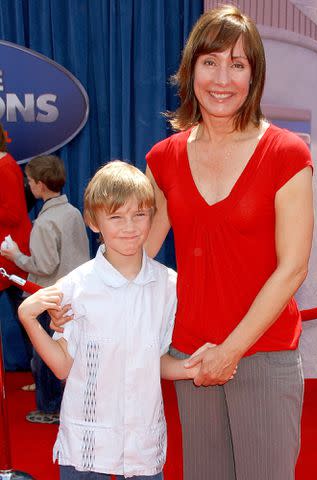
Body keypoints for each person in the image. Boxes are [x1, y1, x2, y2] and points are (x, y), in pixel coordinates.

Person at [144, 5, 314, 480]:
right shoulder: (164, 158)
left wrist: (231, 351)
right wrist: (74, 301)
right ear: (190, 69)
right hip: (190, 358)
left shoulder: (286, 153)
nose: (223, 78)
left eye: (238, 64)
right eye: (211, 61)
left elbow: (293, 267)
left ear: (254, 76)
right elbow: (136, 258)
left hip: (264, 351)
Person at [18, 160, 206, 480]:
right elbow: (63, 365)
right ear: (94, 222)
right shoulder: (75, 287)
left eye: (139, 214)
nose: (129, 227)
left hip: (141, 442)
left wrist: (196, 367)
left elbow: (156, 359)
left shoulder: (168, 286)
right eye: (115, 217)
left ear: (152, 216)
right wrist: (28, 318)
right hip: (87, 443)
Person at [1, 154, 90, 423]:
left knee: (45, 357)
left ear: (40, 185)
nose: (27, 186)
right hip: (75, 295)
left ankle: (50, 408)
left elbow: (43, 265)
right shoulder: (73, 211)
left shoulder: (44, 223)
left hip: (49, 296)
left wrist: (15, 255)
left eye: (28, 181)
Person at [0, 123, 32, 364]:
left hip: (12, 257)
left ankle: (45, 380)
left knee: (27, 319)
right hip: (7, 255)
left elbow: (14, 214)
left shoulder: (5, 166)